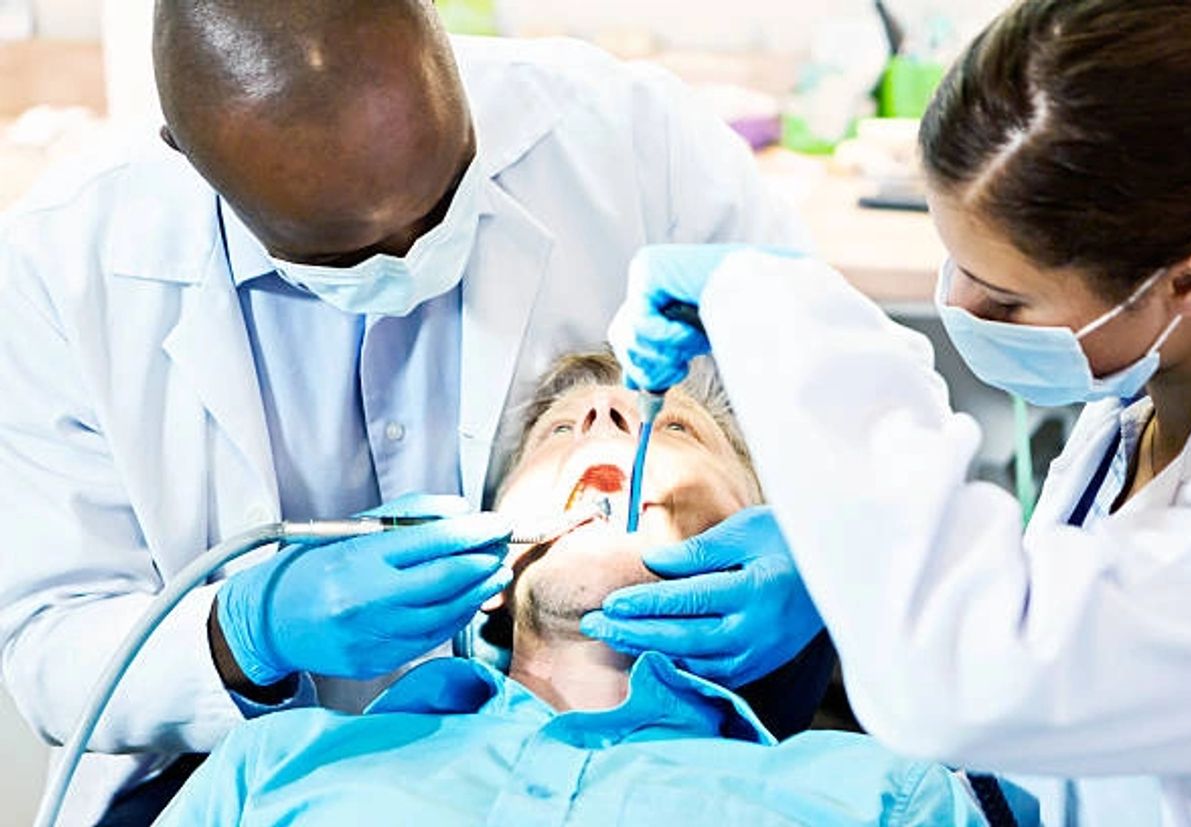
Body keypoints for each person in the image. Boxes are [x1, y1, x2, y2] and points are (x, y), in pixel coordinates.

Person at [0, 1, 821, 822]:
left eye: (442, 198)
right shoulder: (61, 270)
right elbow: (48, 645)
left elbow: (859, 414)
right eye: (341, 251)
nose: (411, 255)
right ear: (188, 156)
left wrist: (824, 554)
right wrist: (249, 630)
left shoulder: (631, 141)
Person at [603, 1, 1191, 825]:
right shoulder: (1140, 393)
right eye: (954, 257)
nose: (960, 303)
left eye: (1007, 300)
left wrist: (770, 310)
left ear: (1190, 287)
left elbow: (971, 675)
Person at [152, 351, 985, 826]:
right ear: (487, 573)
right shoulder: (268, 768)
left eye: (677, 427)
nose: (606, 421)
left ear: (759, 538)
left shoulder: (888, 798)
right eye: (558, 429)